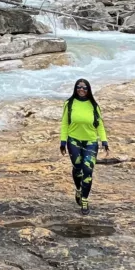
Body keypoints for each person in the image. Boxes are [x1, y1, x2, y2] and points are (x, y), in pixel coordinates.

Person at [59, 78, 108, 214]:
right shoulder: (69, 104)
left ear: (88, 90)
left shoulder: (93, 105)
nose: (81, 89)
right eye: (79, 87)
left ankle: (85, 200)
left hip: (91, 142)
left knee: (88, 170)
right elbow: (64, 124)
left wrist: (104, 141)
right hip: (73, 140)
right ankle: (79, 189)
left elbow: (100, 125)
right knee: (78, 167)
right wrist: (63, 141)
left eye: (84, 87)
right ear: (75, 89)